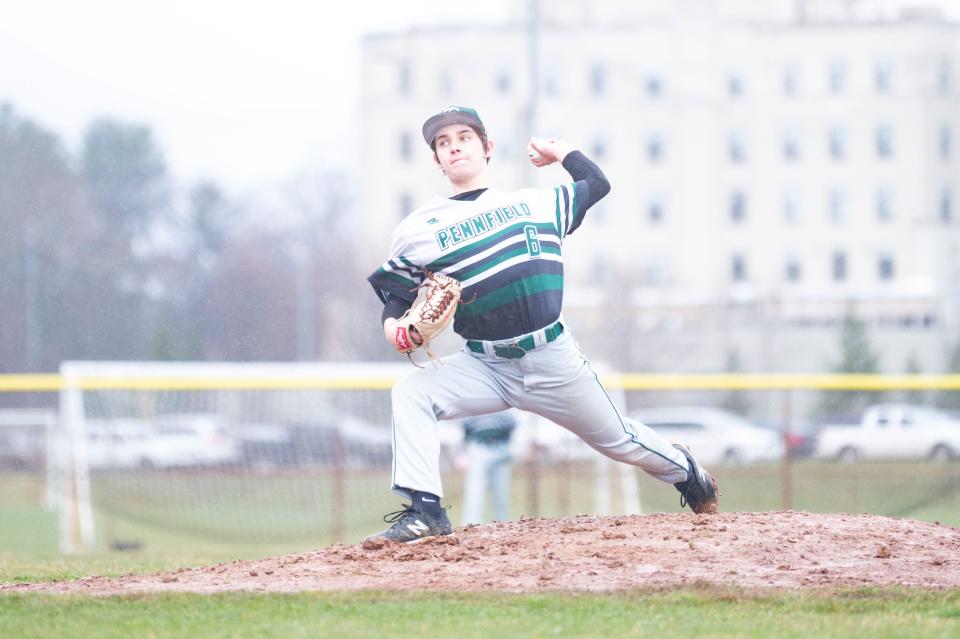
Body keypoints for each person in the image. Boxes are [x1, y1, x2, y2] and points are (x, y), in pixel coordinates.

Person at [365, 106, 717, 543]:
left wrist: (561, 152)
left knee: (618, 440)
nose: (453, 145)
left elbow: (597, 184)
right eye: (442, 142)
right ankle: (426, 512)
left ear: (487, 147)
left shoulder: (535, 202)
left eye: (464, 136)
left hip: (552, 358)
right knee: (411, 392)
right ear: (437, 160)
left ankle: (687, 472)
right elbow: (395, 294)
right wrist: (393, 327)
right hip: (484, 365)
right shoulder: (418, 230)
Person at [459, 411, 517, 525]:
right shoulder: (472, 405)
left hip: (501, 447)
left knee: (501, 491)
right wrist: (462, 454)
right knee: (474, 491)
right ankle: (470, 525)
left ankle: (503, 524)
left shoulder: (504, 404)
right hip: (478, 448)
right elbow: (466, 433)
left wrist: (511, 449)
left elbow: (513, 427)